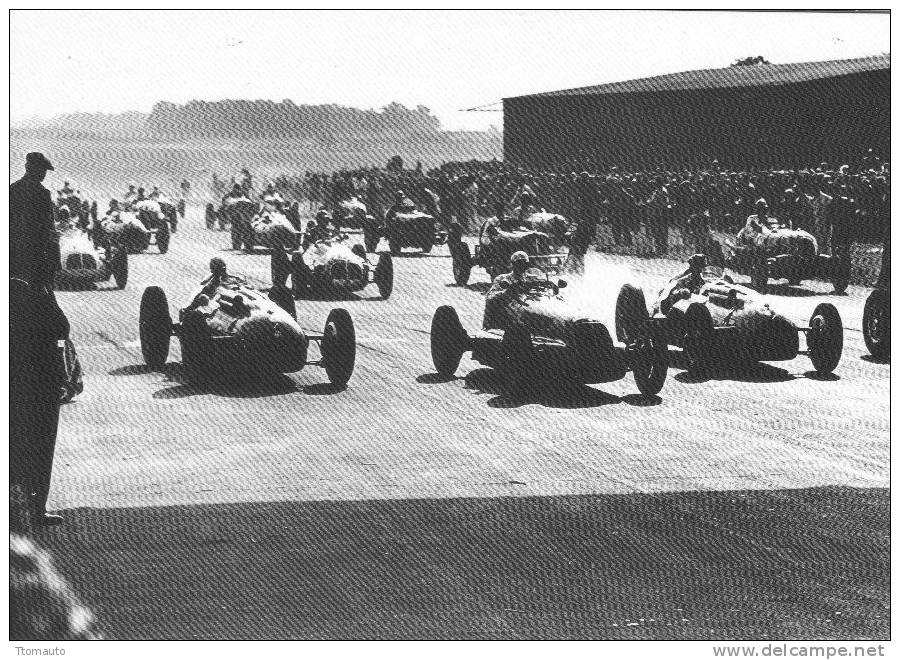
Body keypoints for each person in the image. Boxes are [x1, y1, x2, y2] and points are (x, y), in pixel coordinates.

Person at [10, 152, 69, 526]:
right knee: (39, 448)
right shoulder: (47, 308)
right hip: (40, 388)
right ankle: (35, 508)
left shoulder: (11, 193)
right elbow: (61, 336)